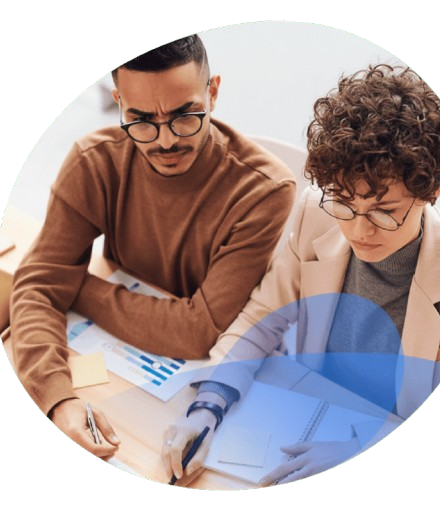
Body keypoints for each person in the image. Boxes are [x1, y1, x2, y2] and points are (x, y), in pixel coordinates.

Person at [161, 64, 440, 487]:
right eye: (345, 203)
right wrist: (208, 406)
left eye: (384, 212)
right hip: (305, 412)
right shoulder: (316, 211)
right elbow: (262, 318)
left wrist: (358, 445)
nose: (359, 231)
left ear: (432, 191)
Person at [9, 36, 296, 460]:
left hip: (221, 377)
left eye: (184, 116)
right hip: (116, 356)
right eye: (141, 119)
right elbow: (36, 289)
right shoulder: (94, 160)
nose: (164, 142)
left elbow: (200, 332)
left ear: (213, 92)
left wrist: (73, 286)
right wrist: (59, 399)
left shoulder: (265, 189)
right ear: (119, 102)